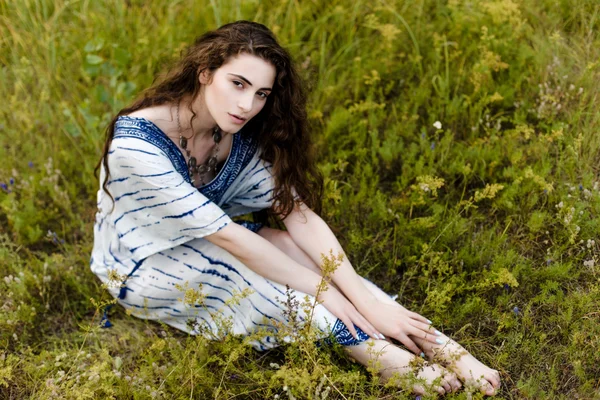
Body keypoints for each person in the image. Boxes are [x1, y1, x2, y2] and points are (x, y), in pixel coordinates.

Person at [91, 20, 501, 396]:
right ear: (205, 73)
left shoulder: (231, 130)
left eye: (261, 94)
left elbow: (296, 213)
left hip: (212, 236)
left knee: (291, 245)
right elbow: (231, 239)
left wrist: (362, 298)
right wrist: (326, 294)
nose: (247, 104)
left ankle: (432, 340)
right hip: (142, 264)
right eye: (237, 83)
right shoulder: (137, 147)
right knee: (256, 279)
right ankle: (375, 353)